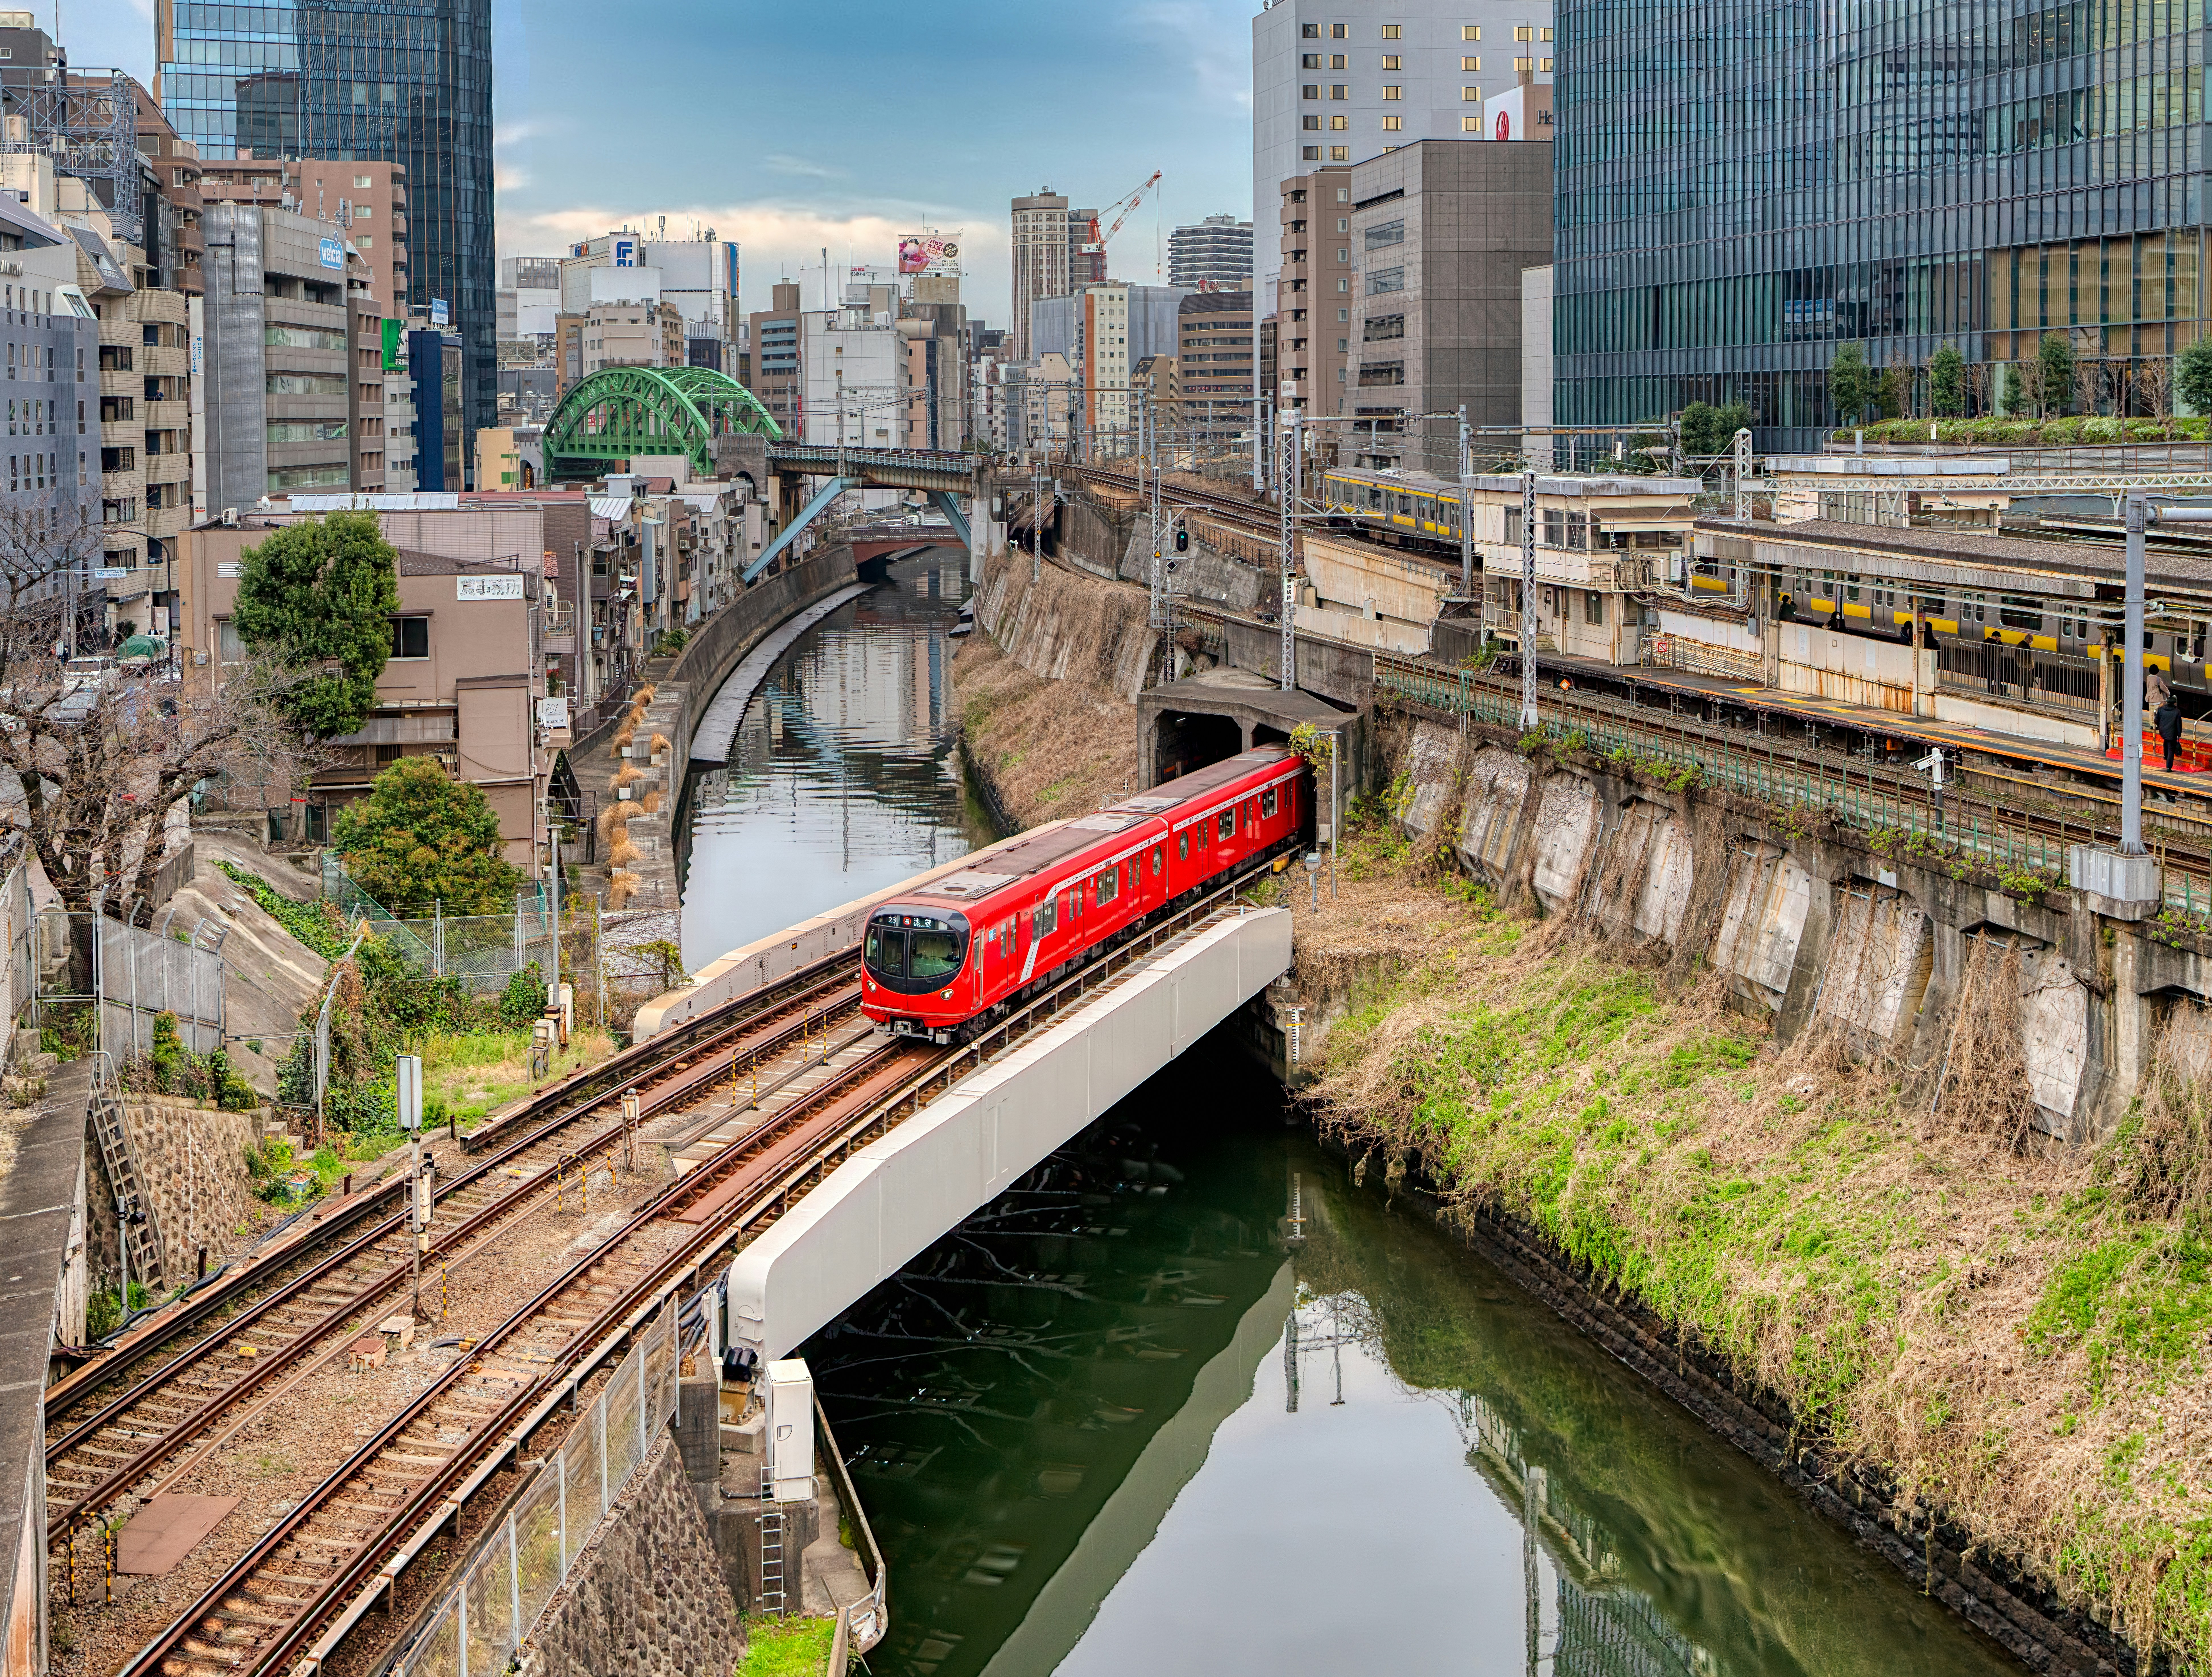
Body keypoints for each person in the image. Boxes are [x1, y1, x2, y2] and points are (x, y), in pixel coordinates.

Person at [2147, 667, 2182, 770]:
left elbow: (2156, 720)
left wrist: (2159, 726)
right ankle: (2169, 767)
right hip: (2172, 734)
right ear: (2174, 703)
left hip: (2163, 732)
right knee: (2172, 749)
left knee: (2166, 741)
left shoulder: (2162, 710)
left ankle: (2165, 756)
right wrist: (2179, 735)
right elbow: (2179, 725)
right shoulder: (2177, 712)